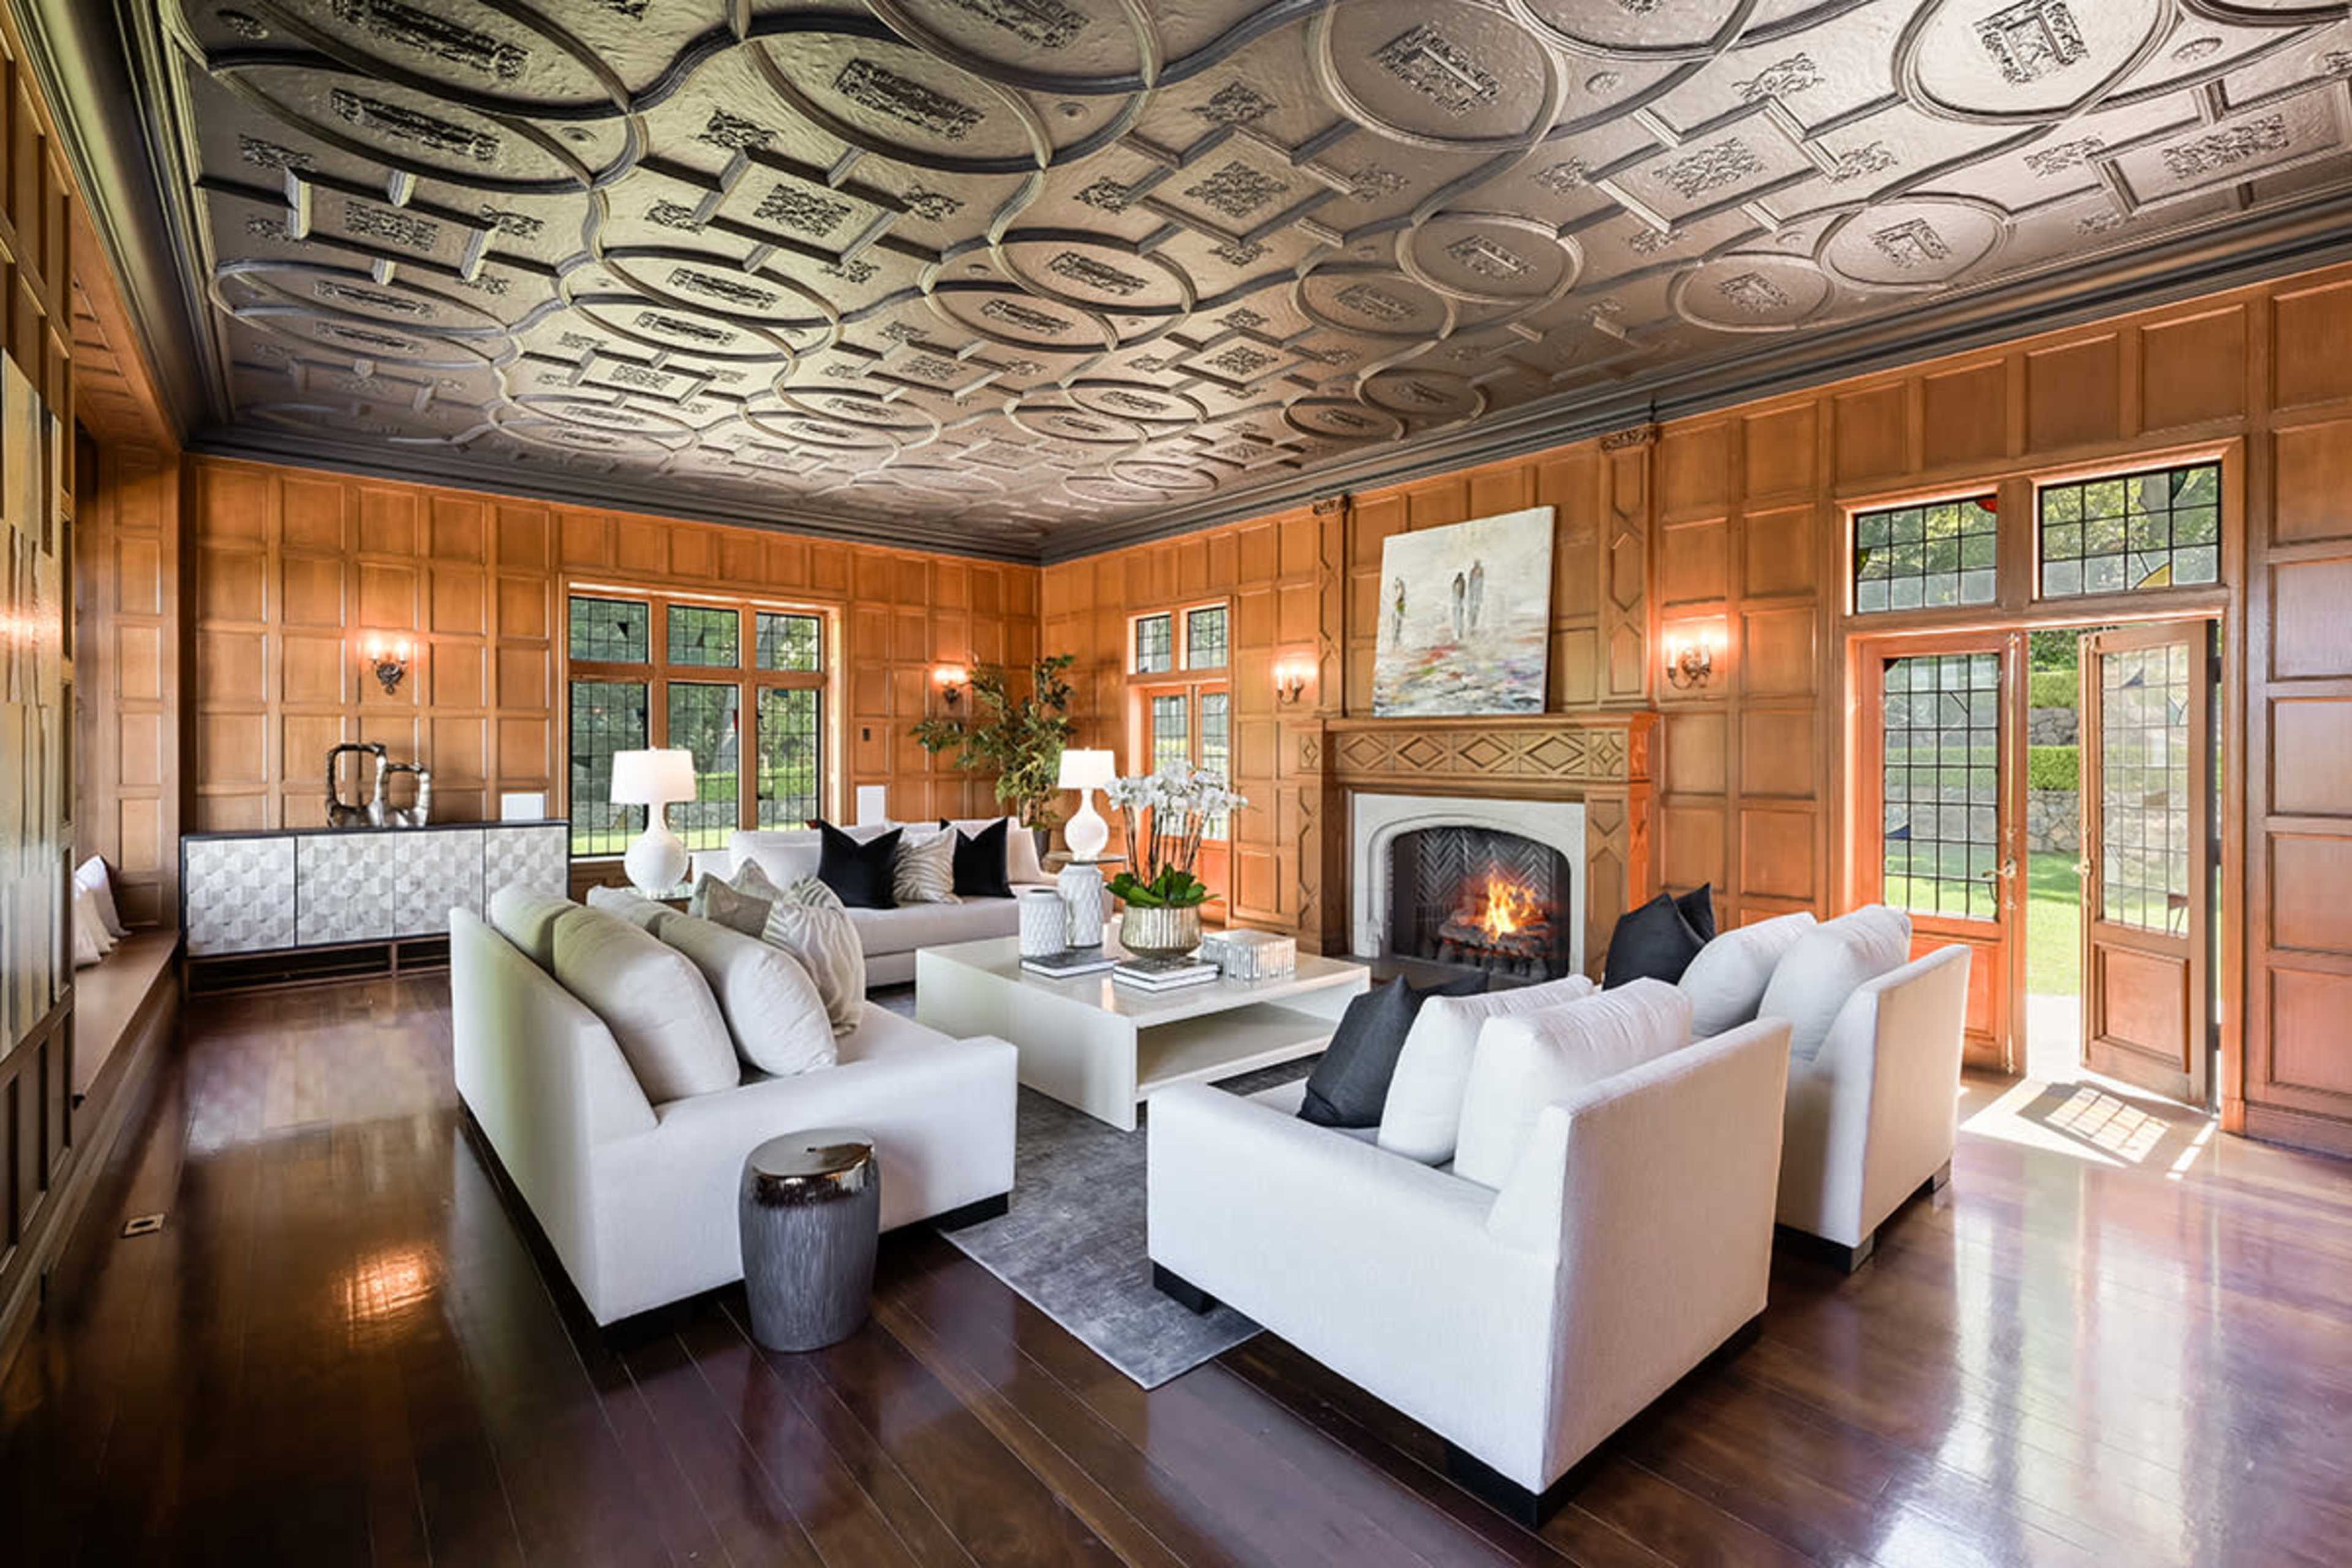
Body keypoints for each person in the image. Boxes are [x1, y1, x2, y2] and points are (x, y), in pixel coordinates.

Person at [1466, 558, 1485, 635]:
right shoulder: (1473, 574)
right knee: (1472, 610)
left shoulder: (1480, 577)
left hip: (1477, 595)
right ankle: (1472, 624)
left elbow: (1480, 586)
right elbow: (1470, 585)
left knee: (1476, 609)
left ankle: (1474, 624)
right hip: (1473, 595)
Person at [1449, 570, 1467, 641]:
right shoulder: (1457, 584)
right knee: (1457, 620)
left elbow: (1461, 594)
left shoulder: (1460, 584)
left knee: (1459, 620)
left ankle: (1459, 634)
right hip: (1457, 604)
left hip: (1459, 604)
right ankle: (1457, 635)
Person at [1389, 576, 1406, 645]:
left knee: (1397, 626)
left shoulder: (1401, 594)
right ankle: (1395, 642)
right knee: (1396, 626)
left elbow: (1400, 599)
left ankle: (1396, 642)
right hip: (1398, 609)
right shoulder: (1399, 592)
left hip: (1398, 609)